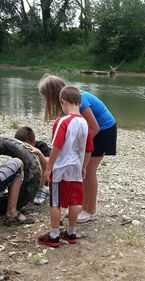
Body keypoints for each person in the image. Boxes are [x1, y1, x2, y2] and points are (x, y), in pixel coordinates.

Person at [38, 75, 117, 223]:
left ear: (54, 94)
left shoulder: (79, 101)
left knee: (89, 170)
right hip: (94, 131)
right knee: (84, 170)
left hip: (104, 130)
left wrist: (80, 147)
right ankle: (84, 206)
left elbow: (94, 128)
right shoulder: (70, 100)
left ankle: (90, 210)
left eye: (46, 97)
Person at [37, 86, 94, 247]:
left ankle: (54, 235)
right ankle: (71, 232)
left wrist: (48, 167)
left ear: (63, 102)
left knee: (55, 201)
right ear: (80, 102)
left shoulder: (63, 121)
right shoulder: (84, 123)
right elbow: (89, 149)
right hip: (76, 168)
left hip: (61, 168)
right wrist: (84, 167)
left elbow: (56, 146)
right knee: (74, 201)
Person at [15, 126, 51, 204]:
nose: (23, 148)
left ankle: (42, 189)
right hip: (31, 173)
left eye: (26, 146)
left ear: (33, 142)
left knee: (39, 159)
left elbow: (48, 165)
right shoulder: (18, 149)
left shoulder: (41, 146)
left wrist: (39, 153)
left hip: (48, 174)